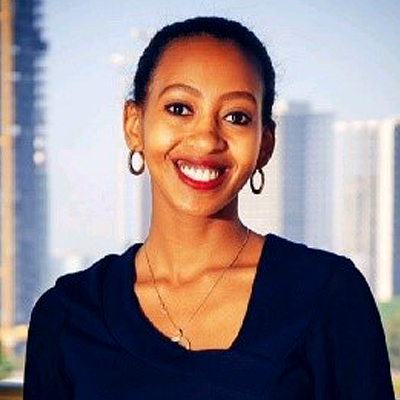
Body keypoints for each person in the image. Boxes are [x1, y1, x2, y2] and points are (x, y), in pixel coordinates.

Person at [23, 16, 395, 399]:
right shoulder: (67, 314)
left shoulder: (327, 295)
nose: (205, 140)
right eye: (179, 108)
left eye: (236, 117)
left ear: (265, 144)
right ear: (134, 125)